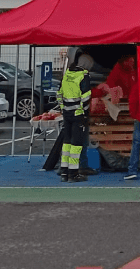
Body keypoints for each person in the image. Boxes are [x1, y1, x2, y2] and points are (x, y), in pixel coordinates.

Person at [58, 53, 93, 182]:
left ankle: (64, 173)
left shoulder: (67, 73)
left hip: (67, 113)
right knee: (76, 145)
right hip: (78, 115)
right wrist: (84, 114)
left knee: (66, 143)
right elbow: (86, 97)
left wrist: (63, 108)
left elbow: (59, 93)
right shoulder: (84, 76)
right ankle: (73, 174)